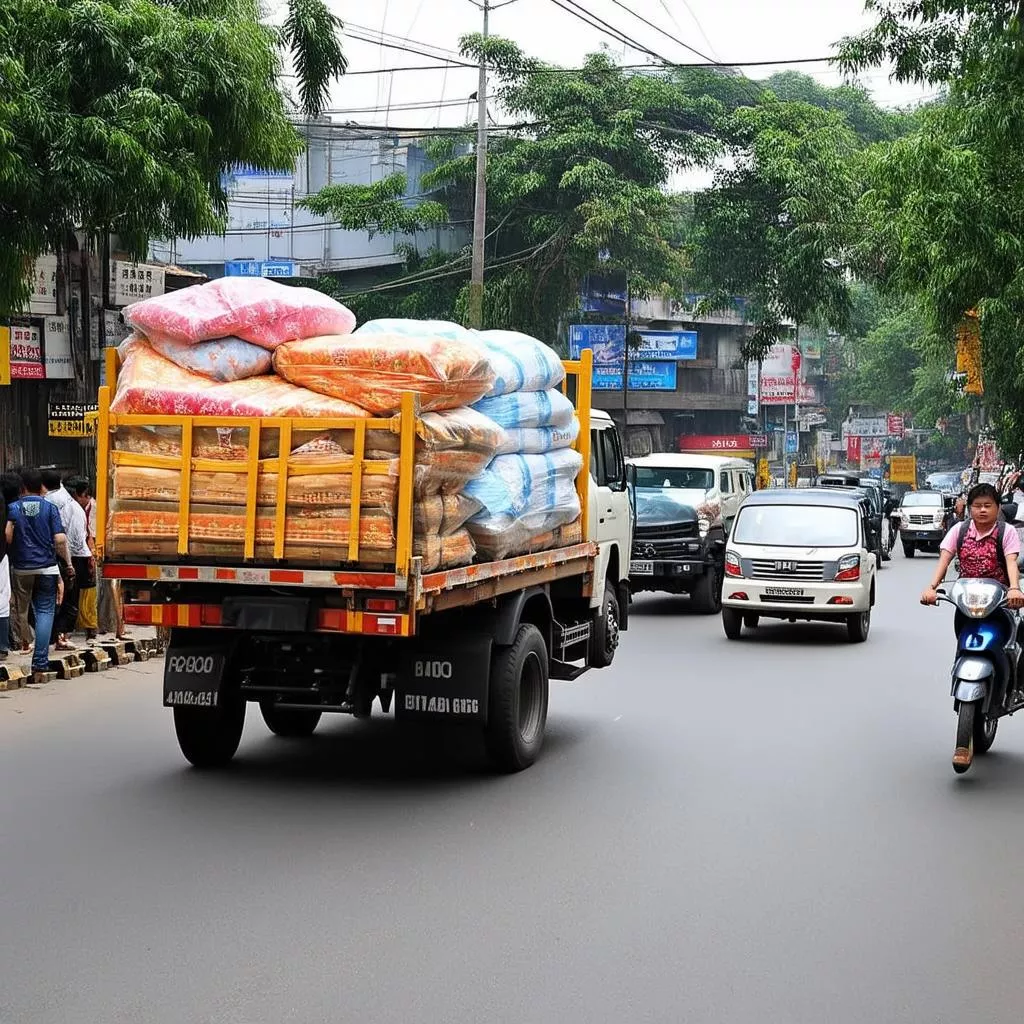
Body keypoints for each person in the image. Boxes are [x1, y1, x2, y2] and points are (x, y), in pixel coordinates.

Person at [5, 469, 72, 682]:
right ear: (41, 486)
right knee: (45, 611)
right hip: (47, 567)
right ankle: (40, 661)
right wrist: (66, 564)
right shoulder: (50, 508)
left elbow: (8, 535)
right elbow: (60, 539)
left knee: (21, 608)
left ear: (23, 487)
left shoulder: (13, 508)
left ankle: (25, 641)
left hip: (21, 567)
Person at [921, 482, 1024, 608]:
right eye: (977, 506)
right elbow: (944, 561)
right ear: (970, 509)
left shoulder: (1007, 531)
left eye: (987, 506)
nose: (982, 510)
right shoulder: (959, 529)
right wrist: (932, 587)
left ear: (998, 508)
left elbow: (1011, 562)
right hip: (966, 601)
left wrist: (1014, 588)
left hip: (1000, 601)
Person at [41, 469, 88, 650]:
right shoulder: (64, 499)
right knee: (68, 599)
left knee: (61, 599)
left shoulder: (50, 501)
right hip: (75, 554)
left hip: (64, 555)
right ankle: (59, 637)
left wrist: (68, 563)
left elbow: (60, 539)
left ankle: (58, 636)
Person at [67, 477, 98, 641]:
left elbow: (91, 534)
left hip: (84, 554)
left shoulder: (92, 508)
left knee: (87, 591)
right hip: (78, 553)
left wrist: (91, 555)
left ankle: (90, 626)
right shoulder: (76, 507)